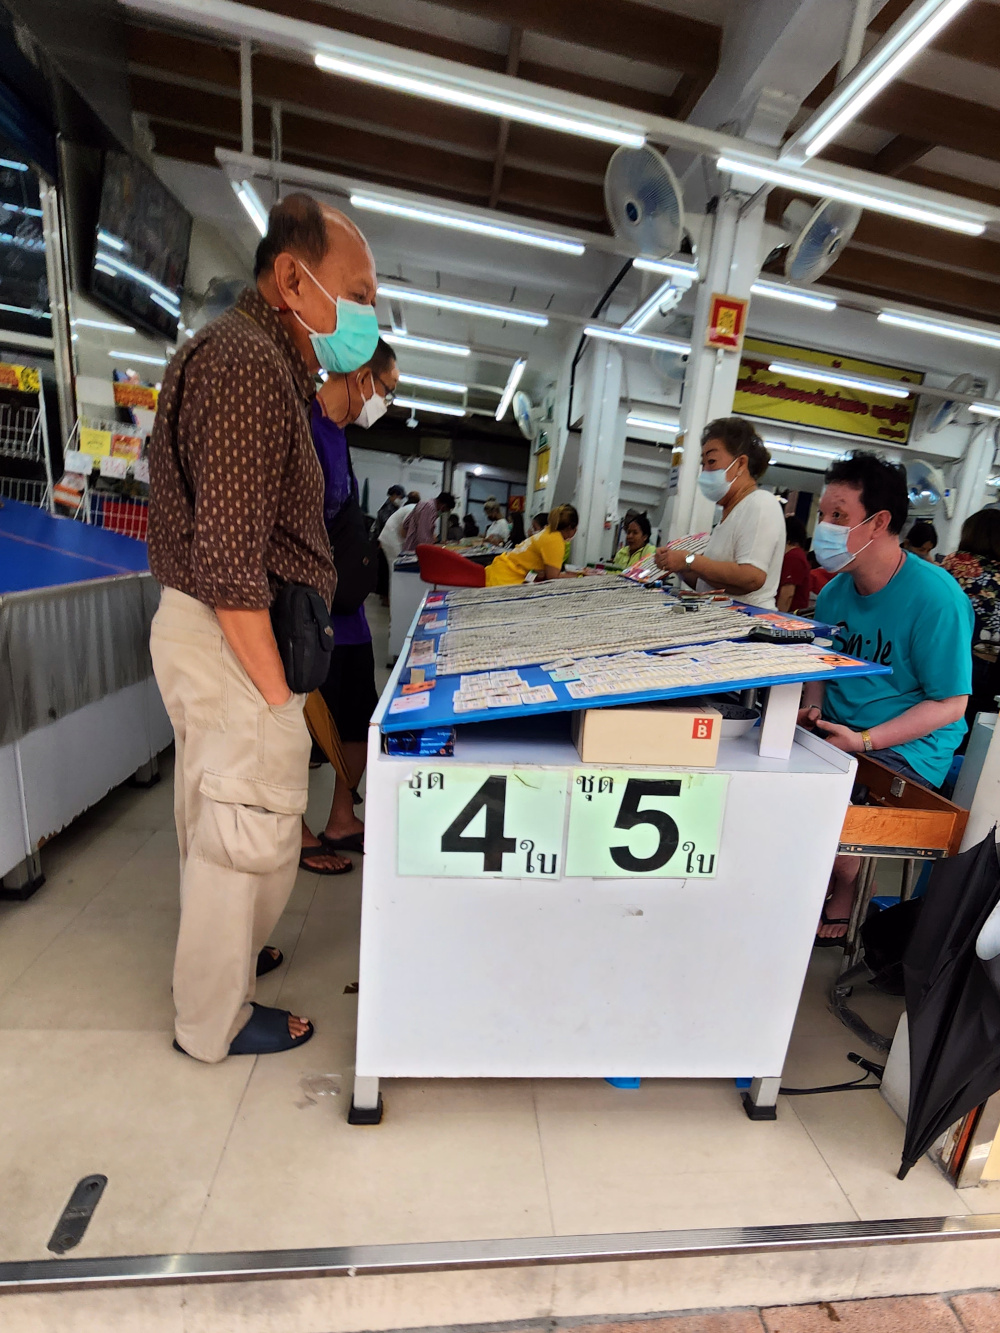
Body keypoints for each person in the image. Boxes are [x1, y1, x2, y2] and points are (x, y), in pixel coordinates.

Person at [148, 193, 377, 1062]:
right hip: (235, 636)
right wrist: (280, 697)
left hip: (225, 631)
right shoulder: (247, 362)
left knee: (219, 817)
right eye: (358, 294)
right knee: (246, 827)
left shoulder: (264, 362)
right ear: (293, 278)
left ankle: (227, 961)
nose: (366, 317)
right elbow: (231, 560)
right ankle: (213, 1019)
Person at [799, 452, 972, 944]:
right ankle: (829, 877)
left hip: (906, 745)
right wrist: (814, 707)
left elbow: (950, 704)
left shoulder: (936, 598)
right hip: (838, 733)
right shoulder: (835, 593)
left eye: (839, 516)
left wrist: (865, 741)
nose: (825, 528)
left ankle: (849, 883)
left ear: (878, 522)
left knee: (835, 829)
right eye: (823, 515)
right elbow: (824, 665)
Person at [300, 339, 398, 874]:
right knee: (298, 726)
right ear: (362, 378)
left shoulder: (338, 436)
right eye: (387, 389)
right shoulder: (305, 427)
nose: (386, 402)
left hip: (348, 612)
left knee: (360, 717)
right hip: (307, 612)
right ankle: (292, 829)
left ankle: (342, 817)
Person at [653, 417, 785, 609]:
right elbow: (711, 583)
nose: (705, 471)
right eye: (703, 463)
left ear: (741, 464)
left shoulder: (760, 503)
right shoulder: (729, 513)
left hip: (747, 618)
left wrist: (689, 559)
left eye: (712, 461)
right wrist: (676, 564)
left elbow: (751, 577)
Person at [943, 508, 1000, 737]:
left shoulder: (952, 565)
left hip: (948, 653)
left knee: (943, 717)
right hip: (991, 663)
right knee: (979, 723)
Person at [485, 504, 580, 586]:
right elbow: (553, 577)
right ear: (571, 527)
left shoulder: (547, 532)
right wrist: (580, 576)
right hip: (506, 577)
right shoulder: (555, 540)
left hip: (500, 569)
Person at [374, 484, 405, 604]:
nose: (400, 500)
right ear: (394, 495)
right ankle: (385, 597)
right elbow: (386, 525)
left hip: (384, 541)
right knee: (385, 571)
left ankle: (385, 595)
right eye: (400, 497)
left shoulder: (392, 507)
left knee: (384, 570)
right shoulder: (387, 508)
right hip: (385, 541)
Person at [777, 515, 812, 613]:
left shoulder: (794, 557)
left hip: (788, 615)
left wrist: (776, 618)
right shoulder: (796, 555)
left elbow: (787, 595)